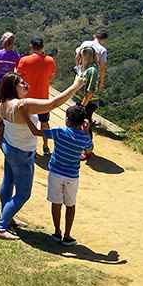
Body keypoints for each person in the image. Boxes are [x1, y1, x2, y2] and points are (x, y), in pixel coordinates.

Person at [0, 72, 84, 240]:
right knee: (23, 193)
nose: (26, 84)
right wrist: (75, 86)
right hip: (23, 154)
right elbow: (53, 103)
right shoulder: (23, 105)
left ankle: (7, 218)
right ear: (13, 88)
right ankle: (1, 226)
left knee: (8, 183)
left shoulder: (0, 104)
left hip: (9, 148)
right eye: (21, 83)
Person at [41, 105, 93, 246]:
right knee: (70, 205)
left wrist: (28, 119)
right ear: (83, 122)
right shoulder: (84, 139)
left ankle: (57, 232)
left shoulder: (59, 132)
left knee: (56, 203)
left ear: (67, 120)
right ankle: (67, 235)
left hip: (55, 172)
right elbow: (89, 150)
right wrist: (86, 130)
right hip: (72, 176)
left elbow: (42, 133)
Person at [17, 37, 57, 156]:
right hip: (43, 98)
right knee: (44, 123)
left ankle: (27, 145)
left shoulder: (24, 60)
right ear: (42, 47)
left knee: (27, 122)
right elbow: (51, 77)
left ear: (31, 46)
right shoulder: (50, 61)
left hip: (27, 98)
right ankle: (45, 145)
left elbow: (18, 77)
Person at [0, 32, 20, 160]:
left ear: (2, 42)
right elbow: (17, 71)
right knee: (5, 108)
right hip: (8, 85)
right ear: (13, 43)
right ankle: (2, 131)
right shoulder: (16, 56)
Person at [74, 46, 99, 158]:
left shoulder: (92, 70)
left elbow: (90, 91)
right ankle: (83, 147)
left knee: (85, 124)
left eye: (80, 55)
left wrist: (82, 106)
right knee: (81, 124)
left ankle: (88, 150)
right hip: (83, 101)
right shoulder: (86, 67)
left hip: (88, 102)